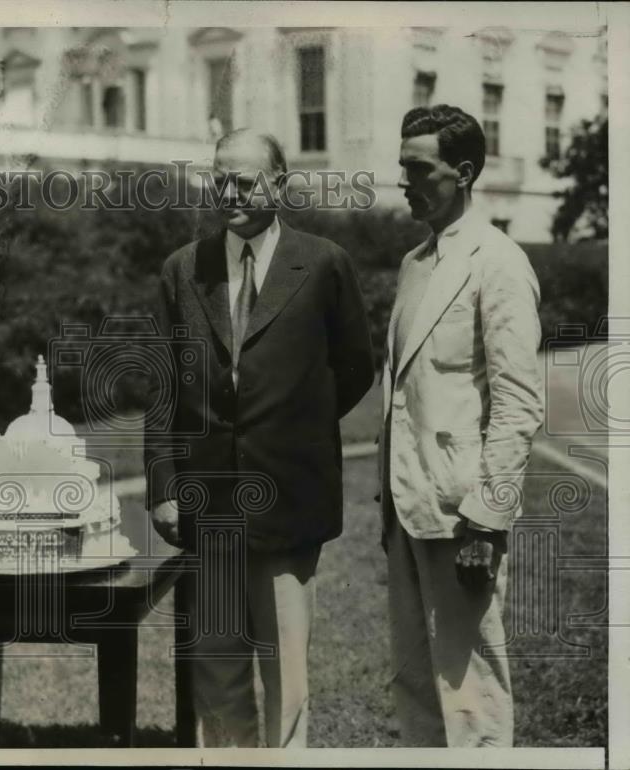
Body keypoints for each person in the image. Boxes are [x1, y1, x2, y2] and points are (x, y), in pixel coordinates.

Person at [144, 128, 374, 747]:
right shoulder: (182, 270)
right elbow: (163, 388)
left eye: (242, 180)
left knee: (285, 669)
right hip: (206, 503)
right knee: (215, 665)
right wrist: (164, 487)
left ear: (279, 184)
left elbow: (356, 366)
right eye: (218, 178)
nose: (227, 191)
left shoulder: (324, 263)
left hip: (289, 496)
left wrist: (296, 424)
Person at [379, 104, 543, 747]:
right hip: (407, 504)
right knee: (416, 680)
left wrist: (488, 518)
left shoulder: (498, 260)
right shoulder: (414, 264)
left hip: (462, 511)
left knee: (470, 690)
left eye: (420, 169)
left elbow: (518, 400)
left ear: (464, 172)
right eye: (403, 169)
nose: (406, 182)